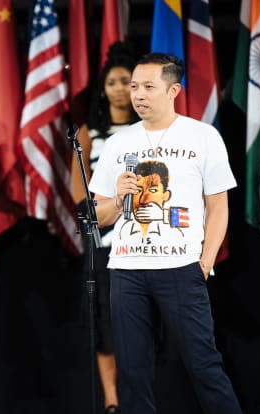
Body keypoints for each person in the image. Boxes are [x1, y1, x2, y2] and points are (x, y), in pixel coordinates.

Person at [88, 53, 242, 413]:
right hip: (126, 269)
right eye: (134, 86)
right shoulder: (118, 144)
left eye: (148, 87)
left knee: (204, 365)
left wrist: (204, 262)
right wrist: (121, 195)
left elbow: (218, 207)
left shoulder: (203, 136)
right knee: (133, 372)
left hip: (181, 268)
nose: (138, 94)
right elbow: (101, 215)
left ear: (173, 89)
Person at [70, 41, 138, 414]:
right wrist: (105, 215)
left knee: (140, 324)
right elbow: (81, 193)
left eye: (126, 81)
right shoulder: (88, 134)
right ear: (104, 87)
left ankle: (138, 396)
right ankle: (112, 402)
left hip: (147, 239)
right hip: (104, 242)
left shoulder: (148, 132)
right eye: (112, 82)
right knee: (106, 322)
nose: (118, 88)